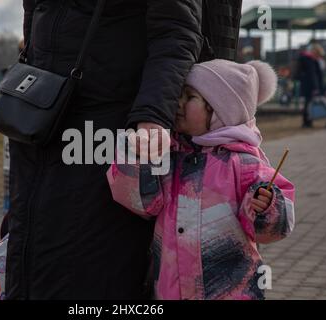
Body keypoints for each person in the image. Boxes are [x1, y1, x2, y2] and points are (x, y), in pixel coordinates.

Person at [5, 0, 204, 300]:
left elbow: (176, 31)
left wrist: (152, 116)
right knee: (32, 247)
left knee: (93, 262)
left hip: (106, 130)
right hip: (44, 121)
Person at [107, 59, 296, 300]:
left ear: (220, 111)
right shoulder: (169, 154)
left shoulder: (244, 163)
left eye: (190, 96)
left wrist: (268, 207)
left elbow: (270, 231)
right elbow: (143, 203)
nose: (178, 103)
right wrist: (135, 155)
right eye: (179, 94)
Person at [296, 43, 325, 128]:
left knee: (309, 103)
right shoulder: (307, 59)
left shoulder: (310, 60)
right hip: (309, 85)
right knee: (308, 103)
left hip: (310, 85)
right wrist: (316, 86)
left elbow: (316, 74)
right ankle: (307, 122)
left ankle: (308, 121)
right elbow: (312, 74)